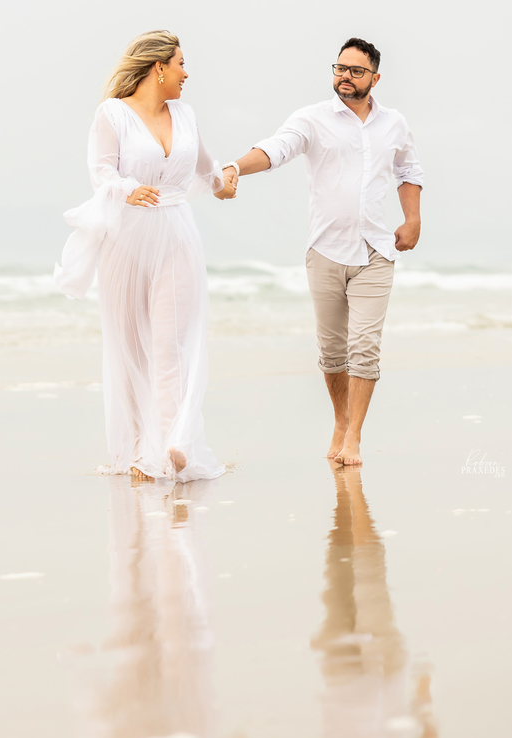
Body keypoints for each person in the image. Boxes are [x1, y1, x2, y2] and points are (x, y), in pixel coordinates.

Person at [222, 37, 423, 466]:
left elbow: (408, 168)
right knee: (332, 350)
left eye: (355, 71)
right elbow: (276, 149)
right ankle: (340, 418)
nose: (345, 77)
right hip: (326, 250)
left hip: (375, 251)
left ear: (375, 77)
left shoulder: (394, 123)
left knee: (364, 347)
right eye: (339, 69)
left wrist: (412, 218)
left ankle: (353, 437)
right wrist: (235, 167)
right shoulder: (312, 119)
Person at [55, 31, 236, 482]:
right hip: (127, 239)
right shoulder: (112, 114)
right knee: (130, 346)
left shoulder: (185, 114)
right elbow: (101, 171)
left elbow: (205, 165)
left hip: (176, 235)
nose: (186, 73)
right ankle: (139, 449)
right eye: (180, 63)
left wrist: (223, 182)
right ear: (159, 68)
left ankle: (176, 441)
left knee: (169, 343)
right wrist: (126, 189)